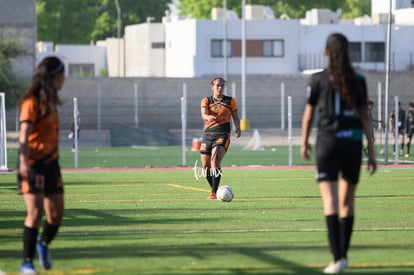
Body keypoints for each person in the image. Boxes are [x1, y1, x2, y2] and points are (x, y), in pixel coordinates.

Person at [300, 33, 377, 274]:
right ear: (347, 53)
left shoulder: (317, 79)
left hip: (327, 144)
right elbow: (365, 116)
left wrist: (304, 142)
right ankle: (343, 255)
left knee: (331, 202)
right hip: (352, 144)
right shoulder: (359, 79)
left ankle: (337, 258)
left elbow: (309, 115)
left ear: (325, 53)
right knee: (347, 202)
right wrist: (371, 149)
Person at [17, 56, 65, 274]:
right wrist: (23, 163)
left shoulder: (52, 102)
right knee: (35, 213)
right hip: (33, 165)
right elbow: (24, 136)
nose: (64, 80)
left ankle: (42, 244)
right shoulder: (31, 101)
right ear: (54, 76)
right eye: (63, 74)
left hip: (51, 165)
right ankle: (27, 262)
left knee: (56, 216)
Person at [200, 77, 241, 199]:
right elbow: (203, 113)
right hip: (207, 135)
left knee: (215, 161)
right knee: (205, 167)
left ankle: (213, 193)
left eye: (222, 85)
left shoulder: (230, 101)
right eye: (217, 85)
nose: (220, 88)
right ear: (212, 87)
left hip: (222, 134)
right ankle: (216, 190)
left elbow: (235, 117)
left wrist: (238, 128)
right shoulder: (206, 100)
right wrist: (207, 117)